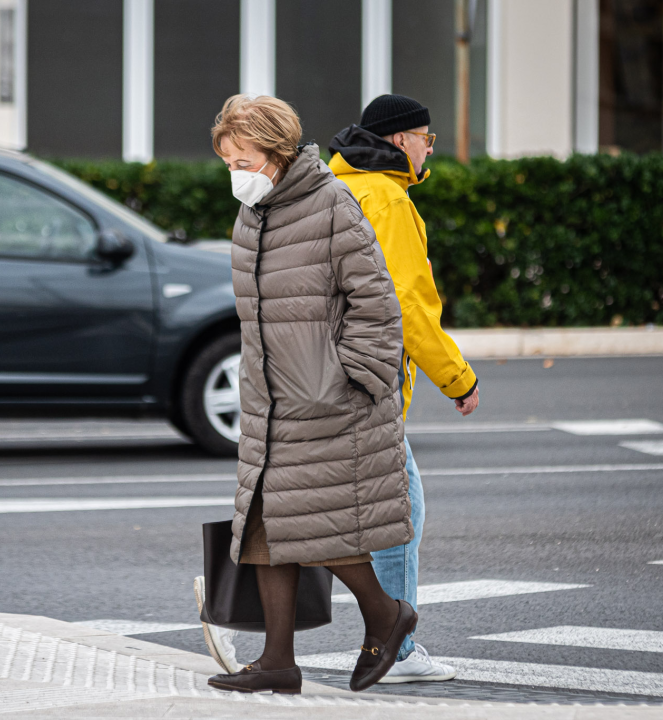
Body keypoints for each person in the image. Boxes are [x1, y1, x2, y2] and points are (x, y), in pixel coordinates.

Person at [202, 94, 416, 696]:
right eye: (227, 161)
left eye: (241, 157)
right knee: (269, 527)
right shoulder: (254, 216)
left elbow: (377, 306)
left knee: (317, 523)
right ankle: (278, 661)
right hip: (271, 402)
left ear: (276, 152)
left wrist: (342, 378)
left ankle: (387, 614)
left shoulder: (331, 206)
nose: (234, 171)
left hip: (325, 401)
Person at [325, 94, 480, 683]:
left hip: (327, 367)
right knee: (400, 508)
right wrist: (456, 376)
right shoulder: (386, 199)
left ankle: (388, 639)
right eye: (424, 138)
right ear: (398, 142)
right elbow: (407, 304)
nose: (427, 148)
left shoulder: (339, 186)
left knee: (339, 506)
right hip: (367, 373)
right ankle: (399, 647)